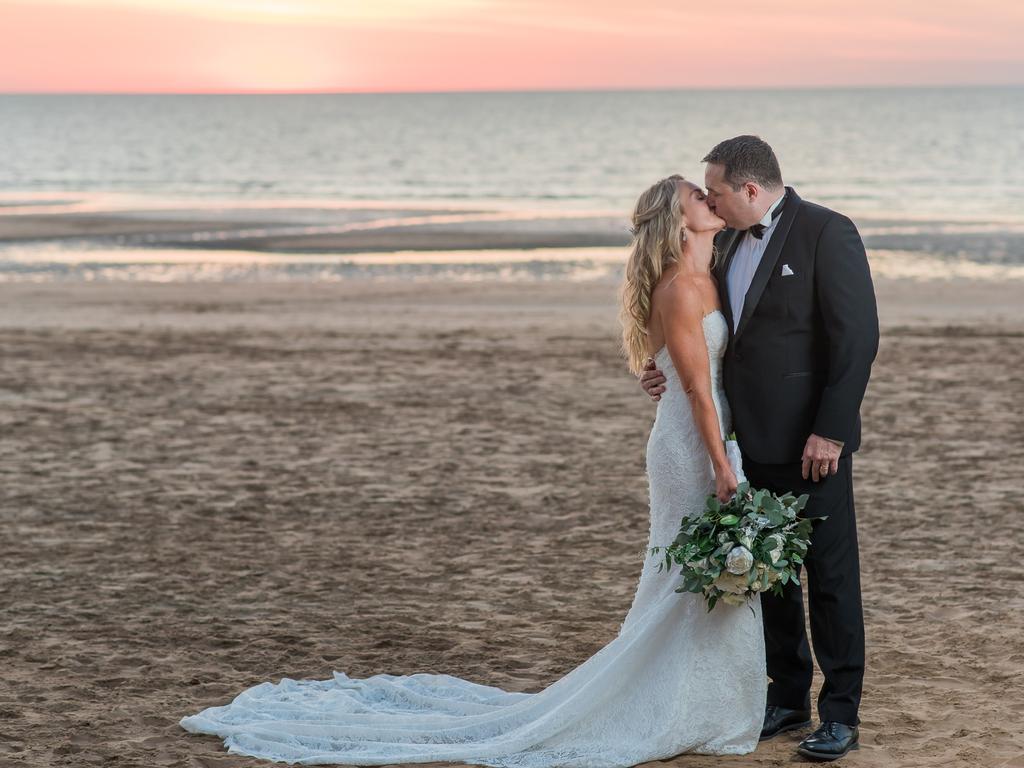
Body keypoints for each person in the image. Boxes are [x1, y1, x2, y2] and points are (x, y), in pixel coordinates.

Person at [178, 175, 767, 766]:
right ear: (677, 218)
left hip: (711, 435)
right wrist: (719, 463)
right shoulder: (681, 287)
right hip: (693, 446)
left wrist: (665, 386)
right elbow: (691, 386)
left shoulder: (713, 274)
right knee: (683, 571)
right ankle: (667, 704)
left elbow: (676, 366)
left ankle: (697, 700)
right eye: (699, 195)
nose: (710, 201)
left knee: (693, 572)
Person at [640, 136, 879, 762]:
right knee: (767, 575)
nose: (710, 200)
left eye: (715, 190)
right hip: (747, 441)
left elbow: (855, 341)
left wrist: (830, 429)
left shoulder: (828, 232)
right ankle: (789, 696)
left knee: (829, 578)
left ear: (750, 189)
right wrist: (659, 366)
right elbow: (703, 333)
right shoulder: (719, 244)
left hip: (812, 443)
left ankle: (840, 714)